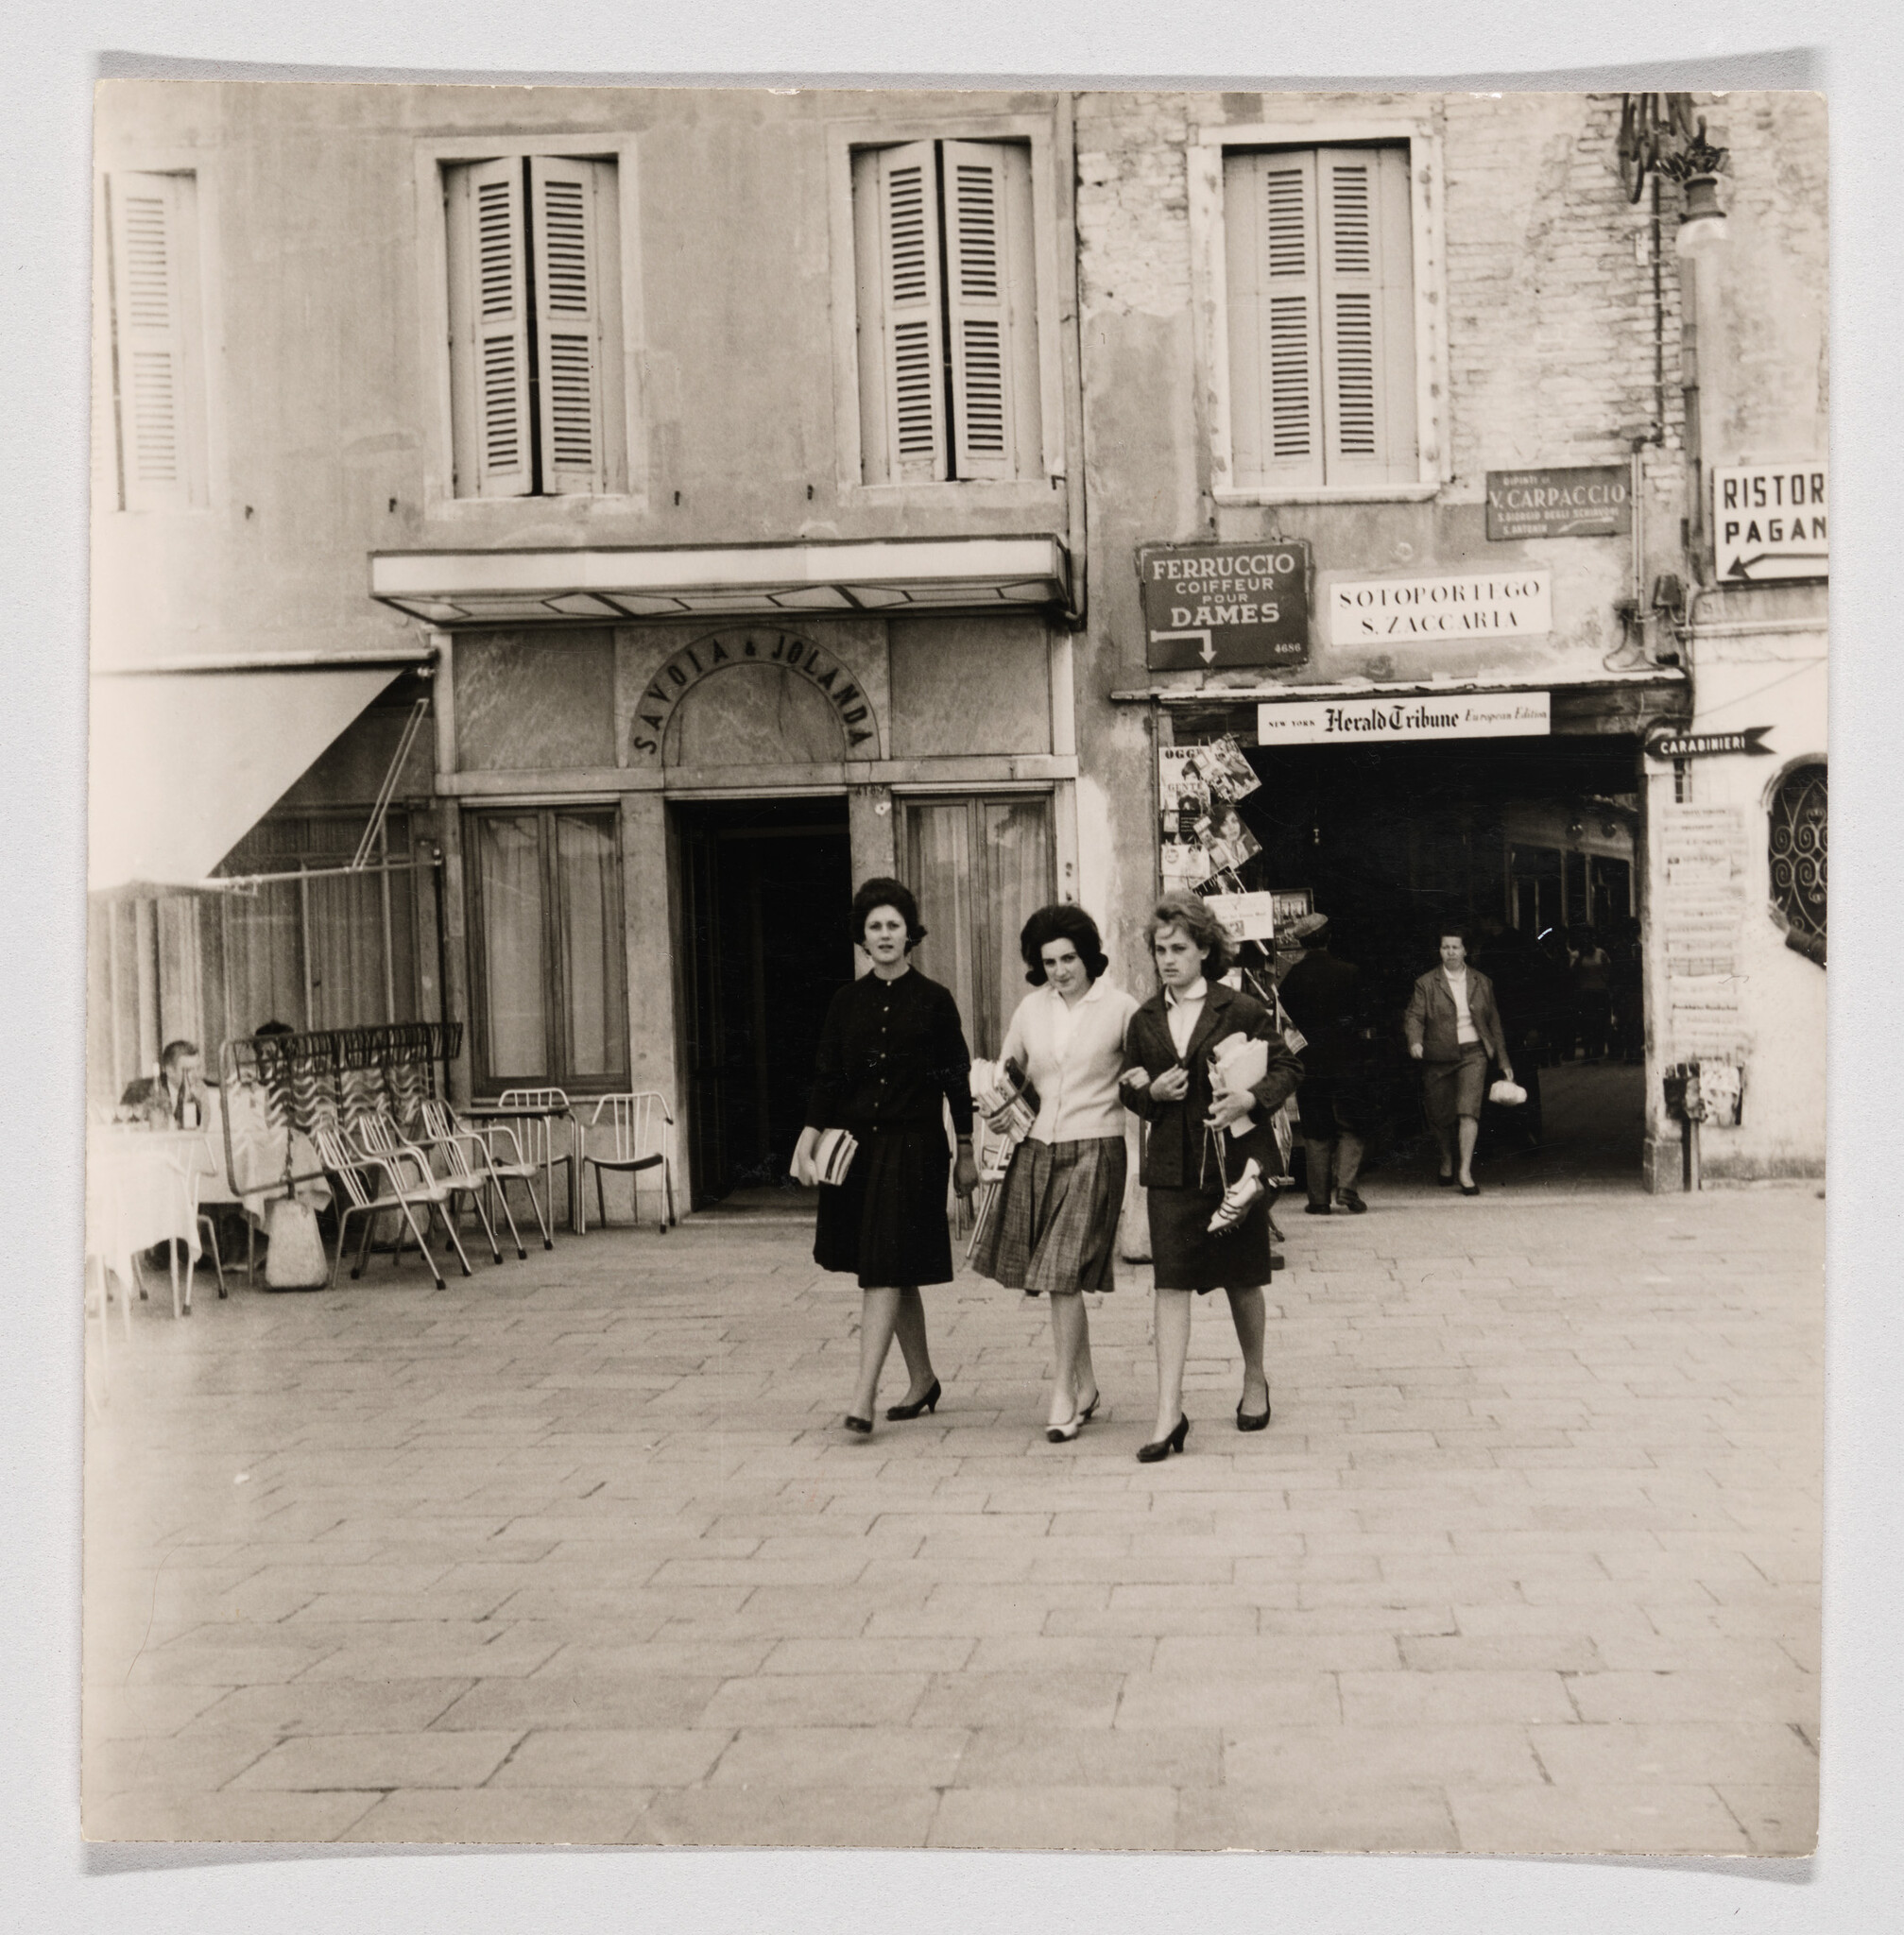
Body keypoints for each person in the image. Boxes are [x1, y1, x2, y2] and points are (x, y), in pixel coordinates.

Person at [793, 878, 979, 1435]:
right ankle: (922, 1379)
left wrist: (965, 1153)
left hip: (917, 1150)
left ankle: (862, 1396)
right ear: (863, 936)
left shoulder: (935, 999)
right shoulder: (846, 1001)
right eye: (874, 926)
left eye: (893, 924)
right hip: (857, 1152)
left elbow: (956, 1081)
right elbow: (828, 1076)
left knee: (883, 1269)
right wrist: (808, 1135)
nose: (884, 935)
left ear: (909, 932)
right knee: (890, 1268)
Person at [1121, 892, 1302, 1461]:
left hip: (1234, 1165)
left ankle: (1254, 1378)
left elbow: (1290, 1065)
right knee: (1170, 1283)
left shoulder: (1240, 1009)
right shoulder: (1145, 1018)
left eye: (1178, 948)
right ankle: (1168, 1410)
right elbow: (1129, 1086)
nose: (1167, 959)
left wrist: (1250, 1095)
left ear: (1204, 949)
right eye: (1159, 950)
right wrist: (1149, 1093)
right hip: (1171, 1168)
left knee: (1243, 1277)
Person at [970, 903, 1140, 1442]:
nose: (1060, 970)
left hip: (1097, 1149)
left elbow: (1141, 1077)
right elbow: (1010, 1071)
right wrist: (996, 1101)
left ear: (1090, 957)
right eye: (1049, 961)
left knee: (1062, 1273)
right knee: (1055, 1280)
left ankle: (1064, 1392)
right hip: (1036, 1151)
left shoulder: (1120, 1008)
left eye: (1069, 958)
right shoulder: (1030, 1010)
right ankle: (1086, 1387)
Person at [1405, 925, 1514, 1196]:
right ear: (1439, 951)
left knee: (1468, 1111)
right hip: (1438, 1055)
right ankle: (1446, 1158)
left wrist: (1503, 1061)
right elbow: (1414, 1016)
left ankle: (1465, 1170)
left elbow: (1494, 1022)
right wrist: (1415, 1041)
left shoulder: (1481, 982)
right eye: (1445, 947)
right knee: (1441, 1115)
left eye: (1455, 947)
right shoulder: (1426, 983)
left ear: (1465, 950)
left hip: (1474, 1053)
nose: (1450, 952)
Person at [1276, 915, 1368, 1215]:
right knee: (1351, 1124)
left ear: (1302, 943)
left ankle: (1318, 1200)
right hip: (1347, 1060)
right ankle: (1347, 1189)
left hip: (1310, 1063)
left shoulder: (1291, 979)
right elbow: (1364, 1018)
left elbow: (1287, 1022)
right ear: (1329, 938)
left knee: (1316, 1129)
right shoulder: (1350, 973)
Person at [120, 1039, 209, 1129]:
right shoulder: (139, 1090)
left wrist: (203, 1104)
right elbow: (122, 1124)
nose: (197, 1075)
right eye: (188, 1070)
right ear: (170, 1071)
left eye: (198, 1068)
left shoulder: (208, 1091)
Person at [1572, 927, 1613, 1063]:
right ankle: (1588, 1052)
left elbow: (1608, 970)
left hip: (1599, 993)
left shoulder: (1601, 953)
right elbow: (1574, 973)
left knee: (1599, 1023)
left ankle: (1596, 1050)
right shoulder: (1579, 956)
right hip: (1585, 994)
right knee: (1586, 1024)